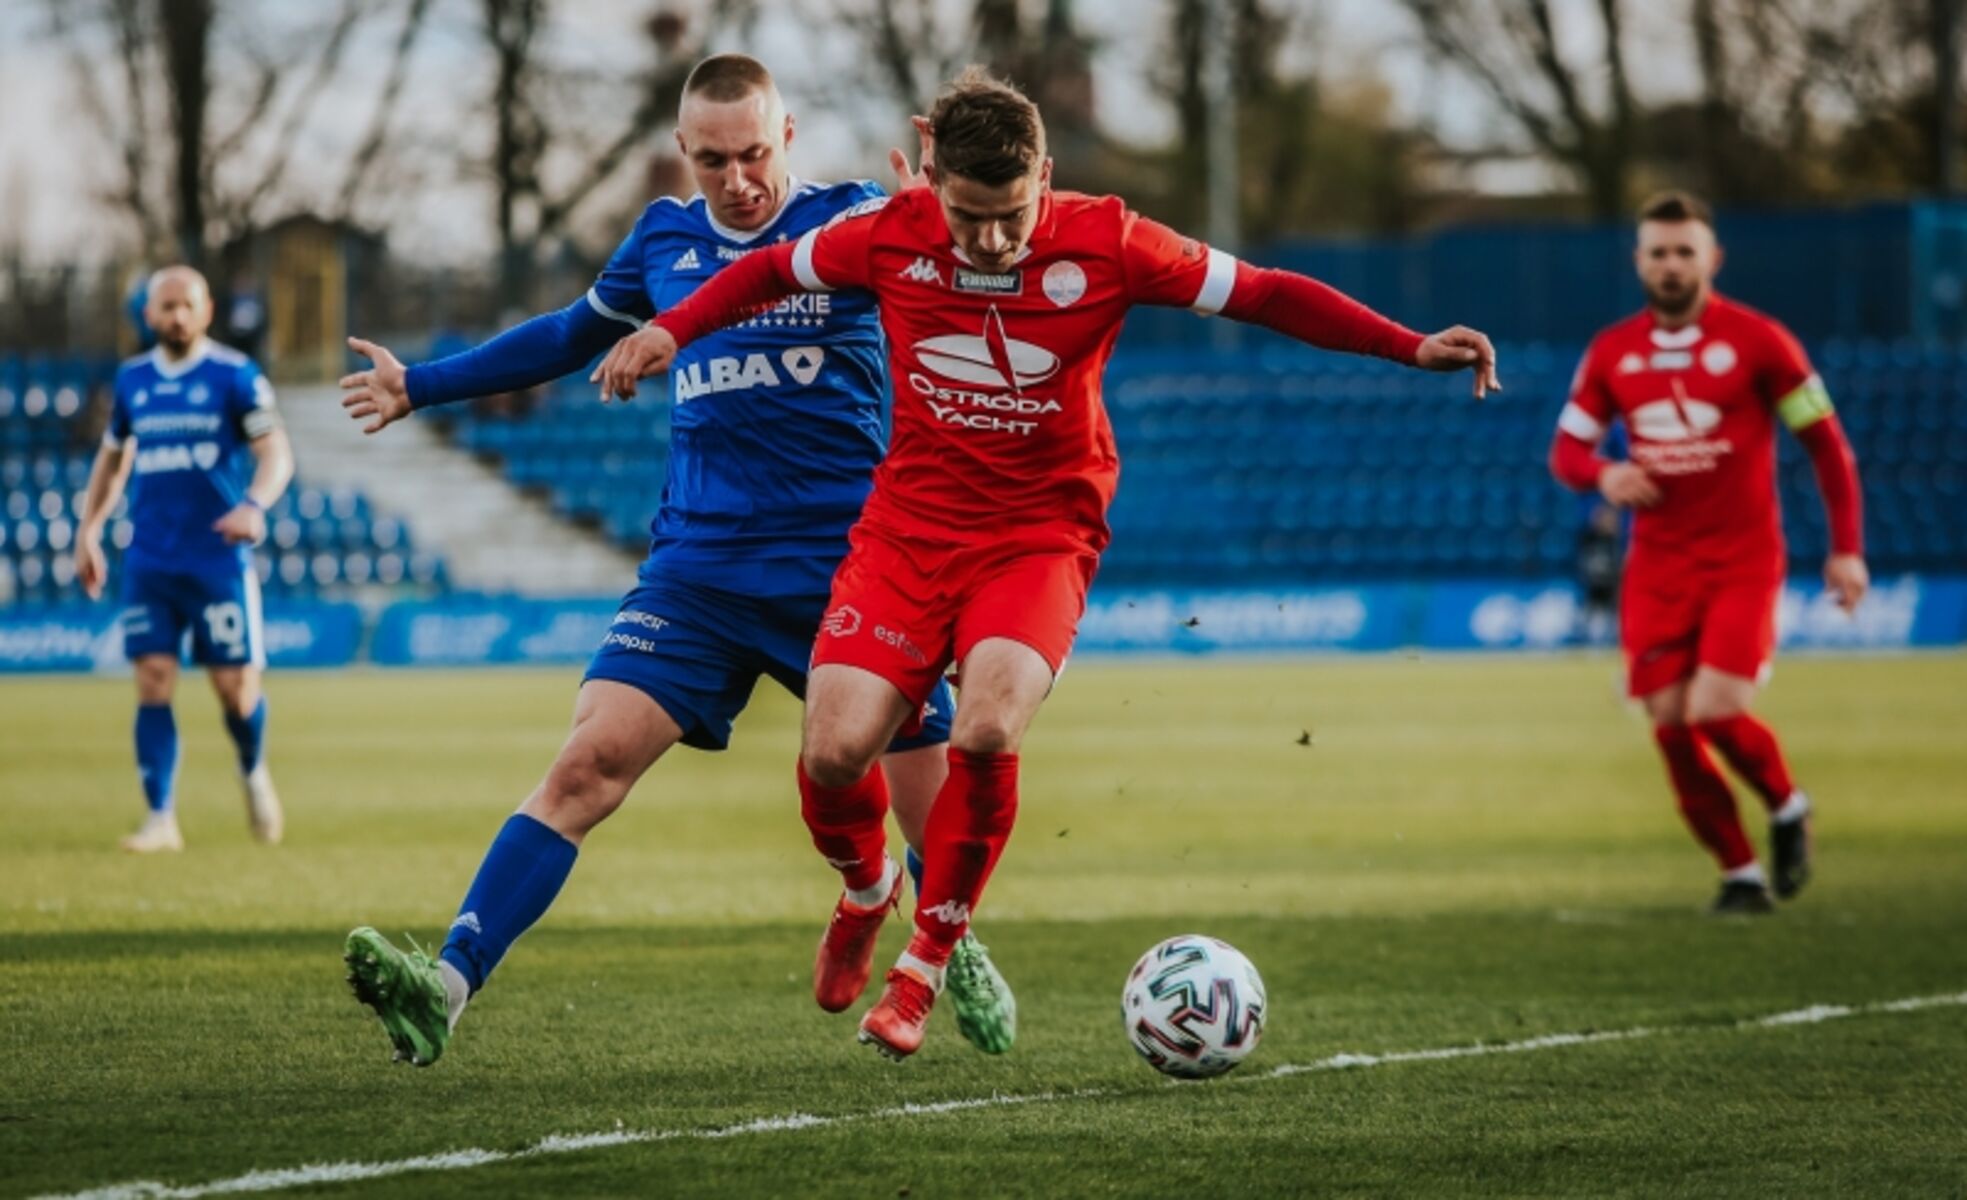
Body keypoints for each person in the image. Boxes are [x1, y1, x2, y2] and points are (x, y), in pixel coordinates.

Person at [595, 66, 1500, 1060]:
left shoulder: (1108, 240)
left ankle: (922, 966)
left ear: (1045, 179)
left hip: (1037, 535)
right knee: (831, 755)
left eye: (1010, 216)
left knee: (982, 731)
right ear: (932, 182)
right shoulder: (889, 236)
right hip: (905, 531)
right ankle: (865, 893)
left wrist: (1405, 345)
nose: (987, 242)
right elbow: (768, 272)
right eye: (967, 217)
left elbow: (1262, 293)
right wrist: (668, 328)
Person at [335, 54, 1016, 1067]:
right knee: (583, 766)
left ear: (785, 137)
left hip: (853, 569)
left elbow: (984, 288)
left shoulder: (860, 218)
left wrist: (943, 226)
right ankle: (443, 985)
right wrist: (421, 386)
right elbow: (570, 335)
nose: (735, 179)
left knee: (931, 809)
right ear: (682, 155)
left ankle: (937, 934)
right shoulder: (663, 238)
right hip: (697, 572)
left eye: (751, 154)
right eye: (711, 161)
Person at [1548, 191, 1866, 915]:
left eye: (1682, 251)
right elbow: (1566, 450)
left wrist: (1845, 550)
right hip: (1655, 568)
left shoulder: (1760, 343)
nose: (1669, 265)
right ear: (1638, 261)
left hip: (1741, 561)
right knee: (1668, 726)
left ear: (1711, 258)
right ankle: (1740, 874)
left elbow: (1826, 446)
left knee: (1716, 712)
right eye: (1656, 252)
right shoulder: (1612, 352)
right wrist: (1605, 472)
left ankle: (1786, 806)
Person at [76, 265, 294, 852]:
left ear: (206, 311)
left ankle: (252, 768)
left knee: (234, 690)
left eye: (186, 305)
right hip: (150, 557)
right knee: (152, 679)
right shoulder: (132, 381)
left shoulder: (235, 375)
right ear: (147, 314)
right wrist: (89, 529)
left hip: (218, 560)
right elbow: (114, 459)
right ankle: (161, 818)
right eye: (164, 306)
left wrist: (254, 504)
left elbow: (276, 454)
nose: (175, 315)